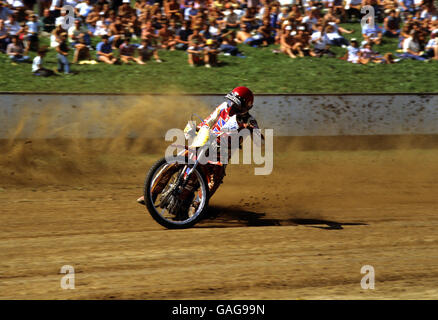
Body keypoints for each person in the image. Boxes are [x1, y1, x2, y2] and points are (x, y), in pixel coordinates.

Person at [136, 86, 262, 205]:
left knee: (214, 181)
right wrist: (198, 128)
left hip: (220, 156)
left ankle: (196, 206)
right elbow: (210, 120)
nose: (231, 106)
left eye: (235, 105)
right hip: (206, 142)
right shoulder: (224, 107)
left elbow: (259, 140)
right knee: (175, 161)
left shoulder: (250, 121)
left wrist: (252, 130)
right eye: (230, 102)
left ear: (245, 107)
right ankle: (151, 194)